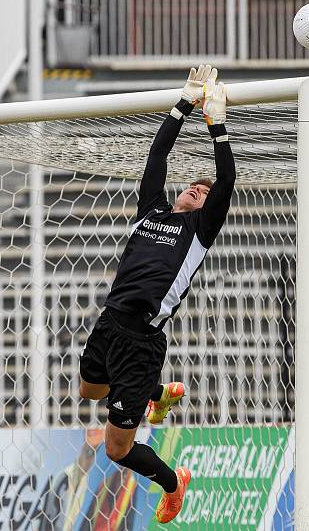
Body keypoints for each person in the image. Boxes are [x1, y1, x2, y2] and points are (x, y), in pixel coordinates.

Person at [78, 64, 236, 525]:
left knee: (115, 448)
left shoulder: (200, 231)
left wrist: (216, 123)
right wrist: (182, 104)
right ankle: (156, 395)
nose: (200, 189)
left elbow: (226, 180)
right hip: (109, 322)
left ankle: (173, 483)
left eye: (206, 191)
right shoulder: (151, 212)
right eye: (196, 185)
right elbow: (157, 157)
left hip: (140, 341)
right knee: (89, 390)